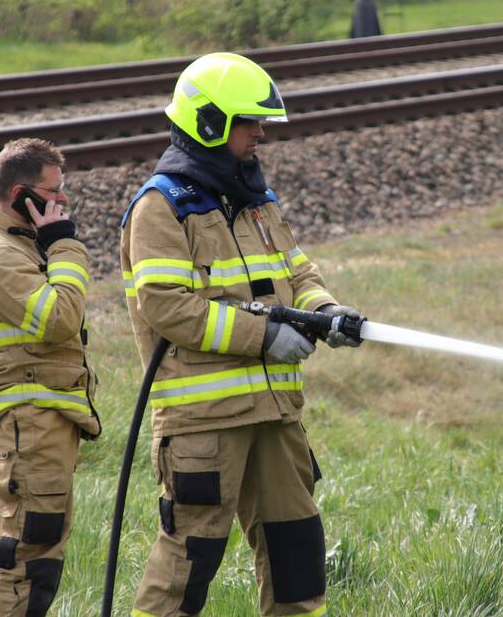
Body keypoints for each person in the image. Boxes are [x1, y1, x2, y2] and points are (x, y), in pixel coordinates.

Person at [119, 52, 361, 617]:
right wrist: (264, 337)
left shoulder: (256, 199)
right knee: (190, 558)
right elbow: (167, 307)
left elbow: (297, 271)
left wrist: (326, 311)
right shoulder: (161, 207)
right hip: (206, 420)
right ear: (208, 124)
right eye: (248, 122)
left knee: (296, 553)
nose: (260, 135)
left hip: (274, 413)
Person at [0, 137, 101, 616]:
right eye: (53, 193)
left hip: (37, 426)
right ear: (22, 196)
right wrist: (65, 244)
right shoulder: (2, 254)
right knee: (21, 567)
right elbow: (59, 317)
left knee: (35, 561)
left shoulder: (18, 243)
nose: (62, 201)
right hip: (26, 429)